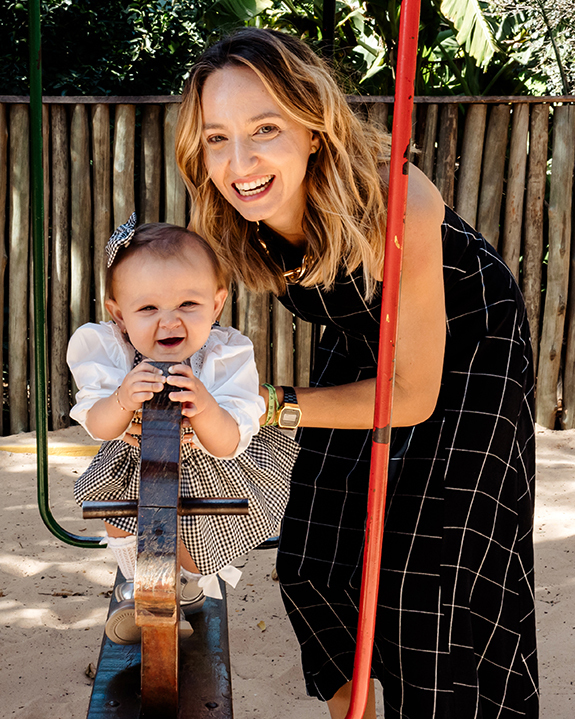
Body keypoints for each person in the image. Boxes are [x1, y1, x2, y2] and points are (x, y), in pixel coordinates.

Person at [175, 28, 538, 719]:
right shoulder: (231, 215)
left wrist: (264, 404)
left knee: (435, 575)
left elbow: (409, 395)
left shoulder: (394, 202)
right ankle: (355, 706)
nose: (239, 159)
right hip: (363, 336)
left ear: (313, 127)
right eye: (217, 137)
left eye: (264, 128)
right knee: (315, 551)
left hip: (468, 354)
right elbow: (177, 305)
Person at [67, 218, 298, 645]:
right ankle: (138, 590)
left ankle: (187, 587)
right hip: (134, 464)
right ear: (118, 314)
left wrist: (206, 406)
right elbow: (98, 427)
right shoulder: (110, 351)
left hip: (211, 466)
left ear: (216, 304)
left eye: (188, 305)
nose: (169, 322)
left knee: (198, 535)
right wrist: (121, 400)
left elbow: (228, 441)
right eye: (148, 308)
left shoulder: (224, 355)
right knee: (118, 519)